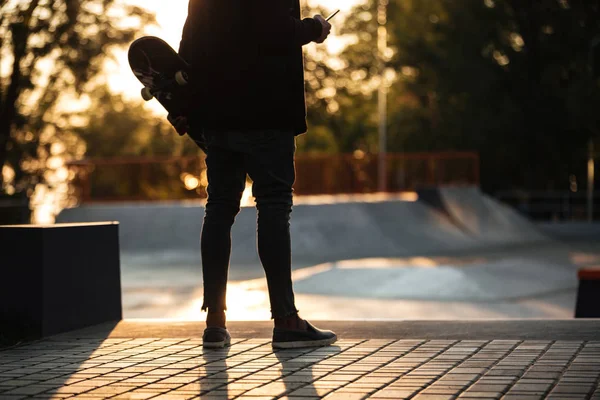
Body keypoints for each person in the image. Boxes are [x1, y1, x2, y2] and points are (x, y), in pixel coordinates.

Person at [169, 0, 337, 349]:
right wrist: (314, 28)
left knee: (219, 208)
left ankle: (215, 322)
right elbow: (274, 29)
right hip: (266, 110)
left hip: (216, 113)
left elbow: (189, 44)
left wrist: (183, 104)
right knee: (274, 205)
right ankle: (286, 319)